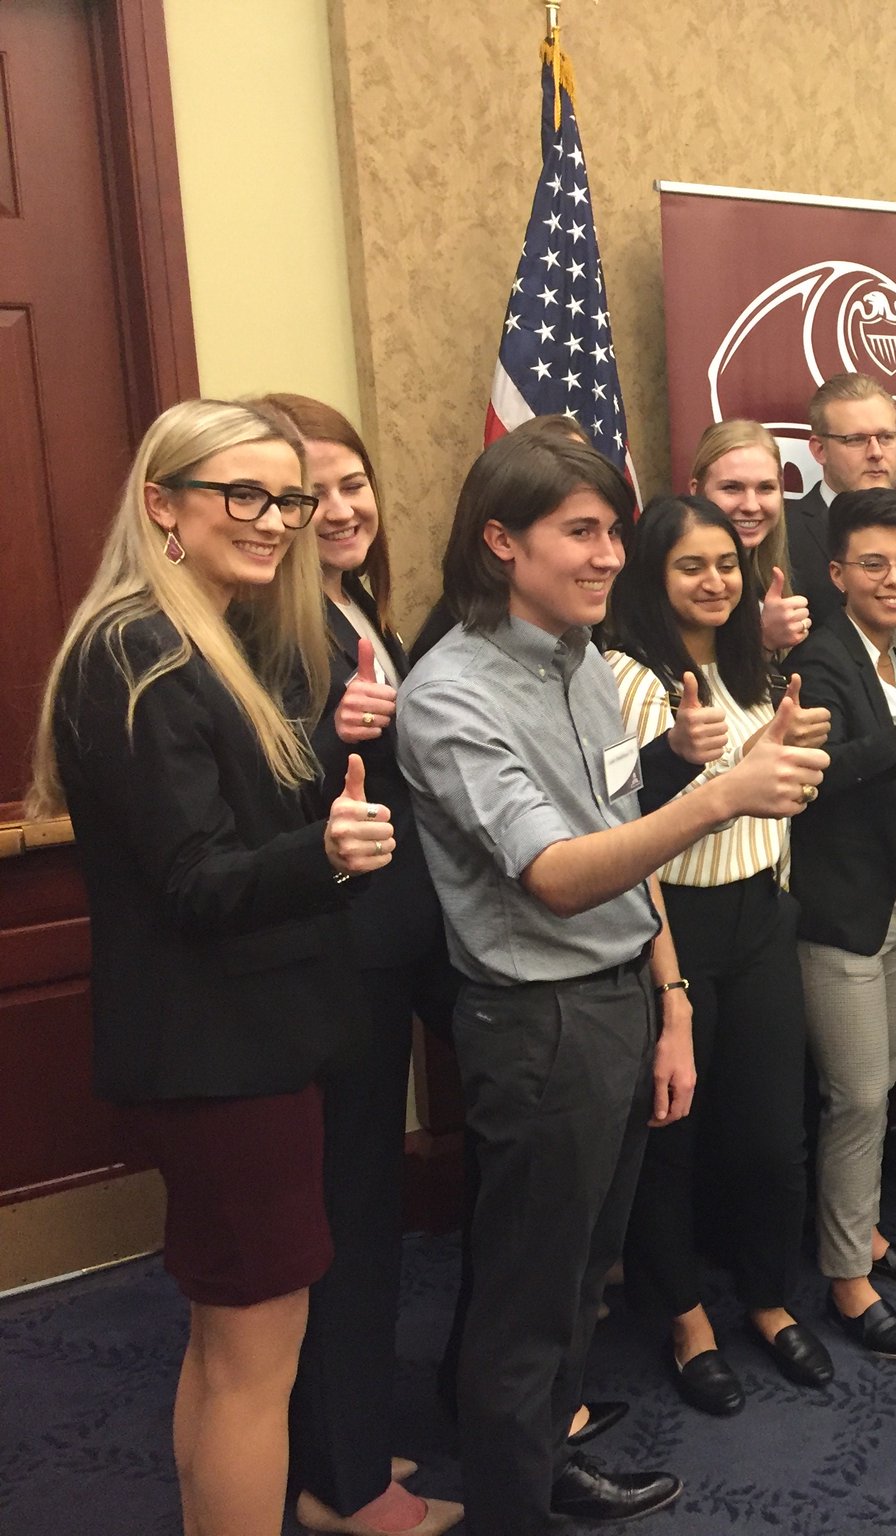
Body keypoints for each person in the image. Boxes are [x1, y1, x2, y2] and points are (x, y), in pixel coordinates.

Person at [397, 425, 827, 1532]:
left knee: (585, 1272)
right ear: (501, 542)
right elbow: (555, 875)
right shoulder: (450, 694)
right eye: (580, 533)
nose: (608, 558)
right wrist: (720, 797)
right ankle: (513, 1507)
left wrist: (669, 997)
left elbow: (619, 824)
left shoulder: (578, 656)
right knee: (528, 1297)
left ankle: (545, 1459)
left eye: (613, 534)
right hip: (537, 1021)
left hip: (621, 995)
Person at [29, 398, 393, 1536]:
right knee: (253, 1362)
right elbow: (194, 880)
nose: (276, 519)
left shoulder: (205, 637)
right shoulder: (138, 651)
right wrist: (325, 853)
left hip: (241, 1047)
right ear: (162, 505)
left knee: (227, 1343)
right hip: (221, 1058)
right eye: (244, 493)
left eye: (286, 497)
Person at [260, 394, 463, 1536]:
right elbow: (261, 794)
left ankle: (341, 1442)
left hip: (393, 946)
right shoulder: (269, 625)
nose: (339, 509)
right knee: (350, 1215)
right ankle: (344, 1484)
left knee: (365, 1207)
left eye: (352, 484)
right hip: (339, 963)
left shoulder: (355, 606)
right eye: (309, 493)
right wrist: (325, 739)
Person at [604, 495, 838, 1412]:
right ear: (651, 576)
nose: (714, 581)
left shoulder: (747, 663)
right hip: (677, 925)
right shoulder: (630, 677)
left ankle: (768, 1299)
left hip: (762, 916)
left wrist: (785, 760)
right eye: (690, 565)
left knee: (773, 1134)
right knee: (677, 1135)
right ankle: (686, 1317)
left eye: (726, 564)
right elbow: (628, 834)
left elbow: (765, 799)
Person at [783, 489, 896, 1360]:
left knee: (878, 1088)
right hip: (843, 911)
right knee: (855, 1097)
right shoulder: (821, 657)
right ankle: (848, 1280)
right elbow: (810, 772)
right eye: (874, 564)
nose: (895, 579)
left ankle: (865, 1231)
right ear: (836, 572)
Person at [783, 372, 896, 605]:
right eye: (856, 439)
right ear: (820, 450)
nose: (876, 452)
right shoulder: (784, 535)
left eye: (886, 437)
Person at [688, 418, 812, 652]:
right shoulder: (676, 579)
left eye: (765, 488)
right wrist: (764, 642)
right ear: (696, 490)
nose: (751, 506)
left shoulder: (797, 568)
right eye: (732, 488)